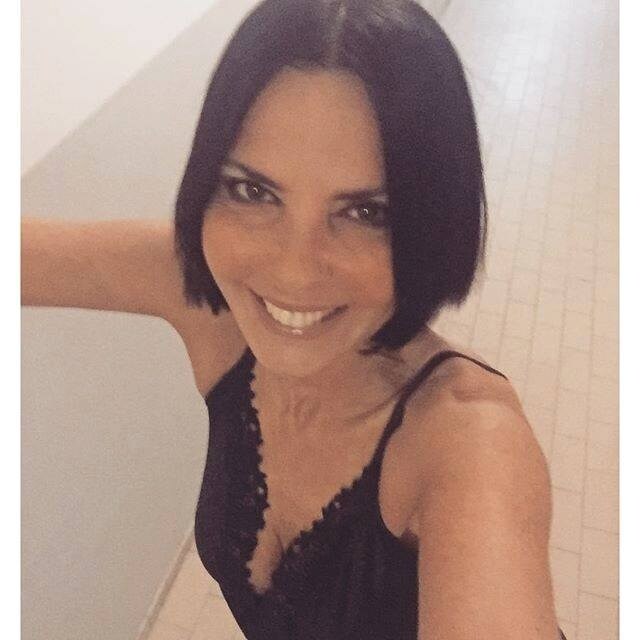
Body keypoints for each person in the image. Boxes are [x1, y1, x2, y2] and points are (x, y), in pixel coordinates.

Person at [22, 0, 568, 638]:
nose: (295, 271)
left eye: (366, 212)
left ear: (431, 220)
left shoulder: (470, 444)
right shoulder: (209, 296)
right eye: (253, 191)